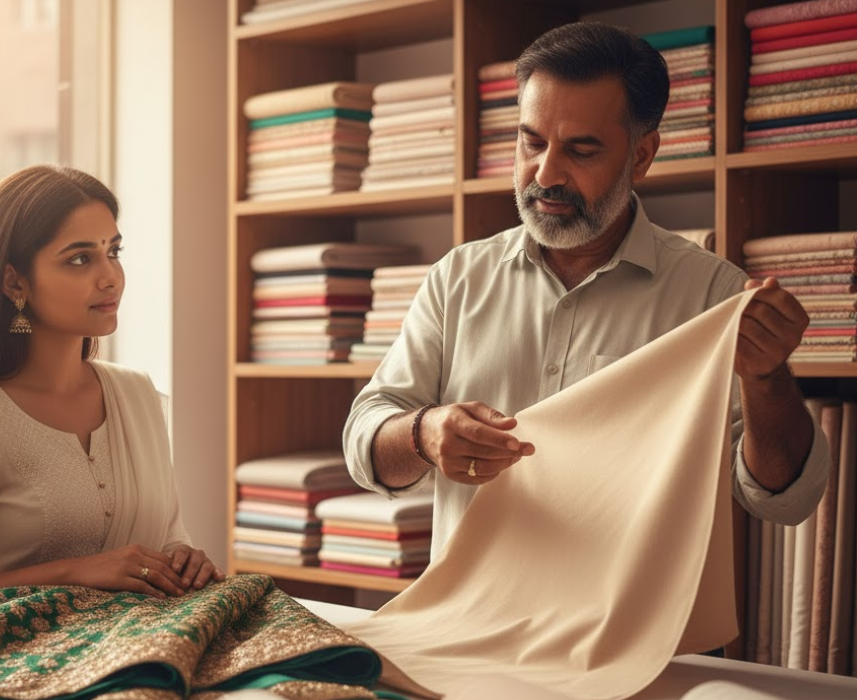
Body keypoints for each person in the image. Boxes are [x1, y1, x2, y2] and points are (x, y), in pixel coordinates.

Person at [343, 22, 829, 560]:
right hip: (465, 630)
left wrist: (767, 379)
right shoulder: (457, 278)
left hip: (641, 638)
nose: (546, 173)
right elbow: (365, 439)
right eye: (532, 141)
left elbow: (784, 501)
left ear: (641, 156)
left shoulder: (712, 294)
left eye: (581, 150)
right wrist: (424, 433)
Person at [0, 165, 224, 607]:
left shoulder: (138, 396)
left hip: (151, 650)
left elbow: (167, 539)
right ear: (14, 282)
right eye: (80, 259)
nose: (110, 277)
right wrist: (74, 574)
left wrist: (183, 561)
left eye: (114, 252)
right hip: (24, 666)